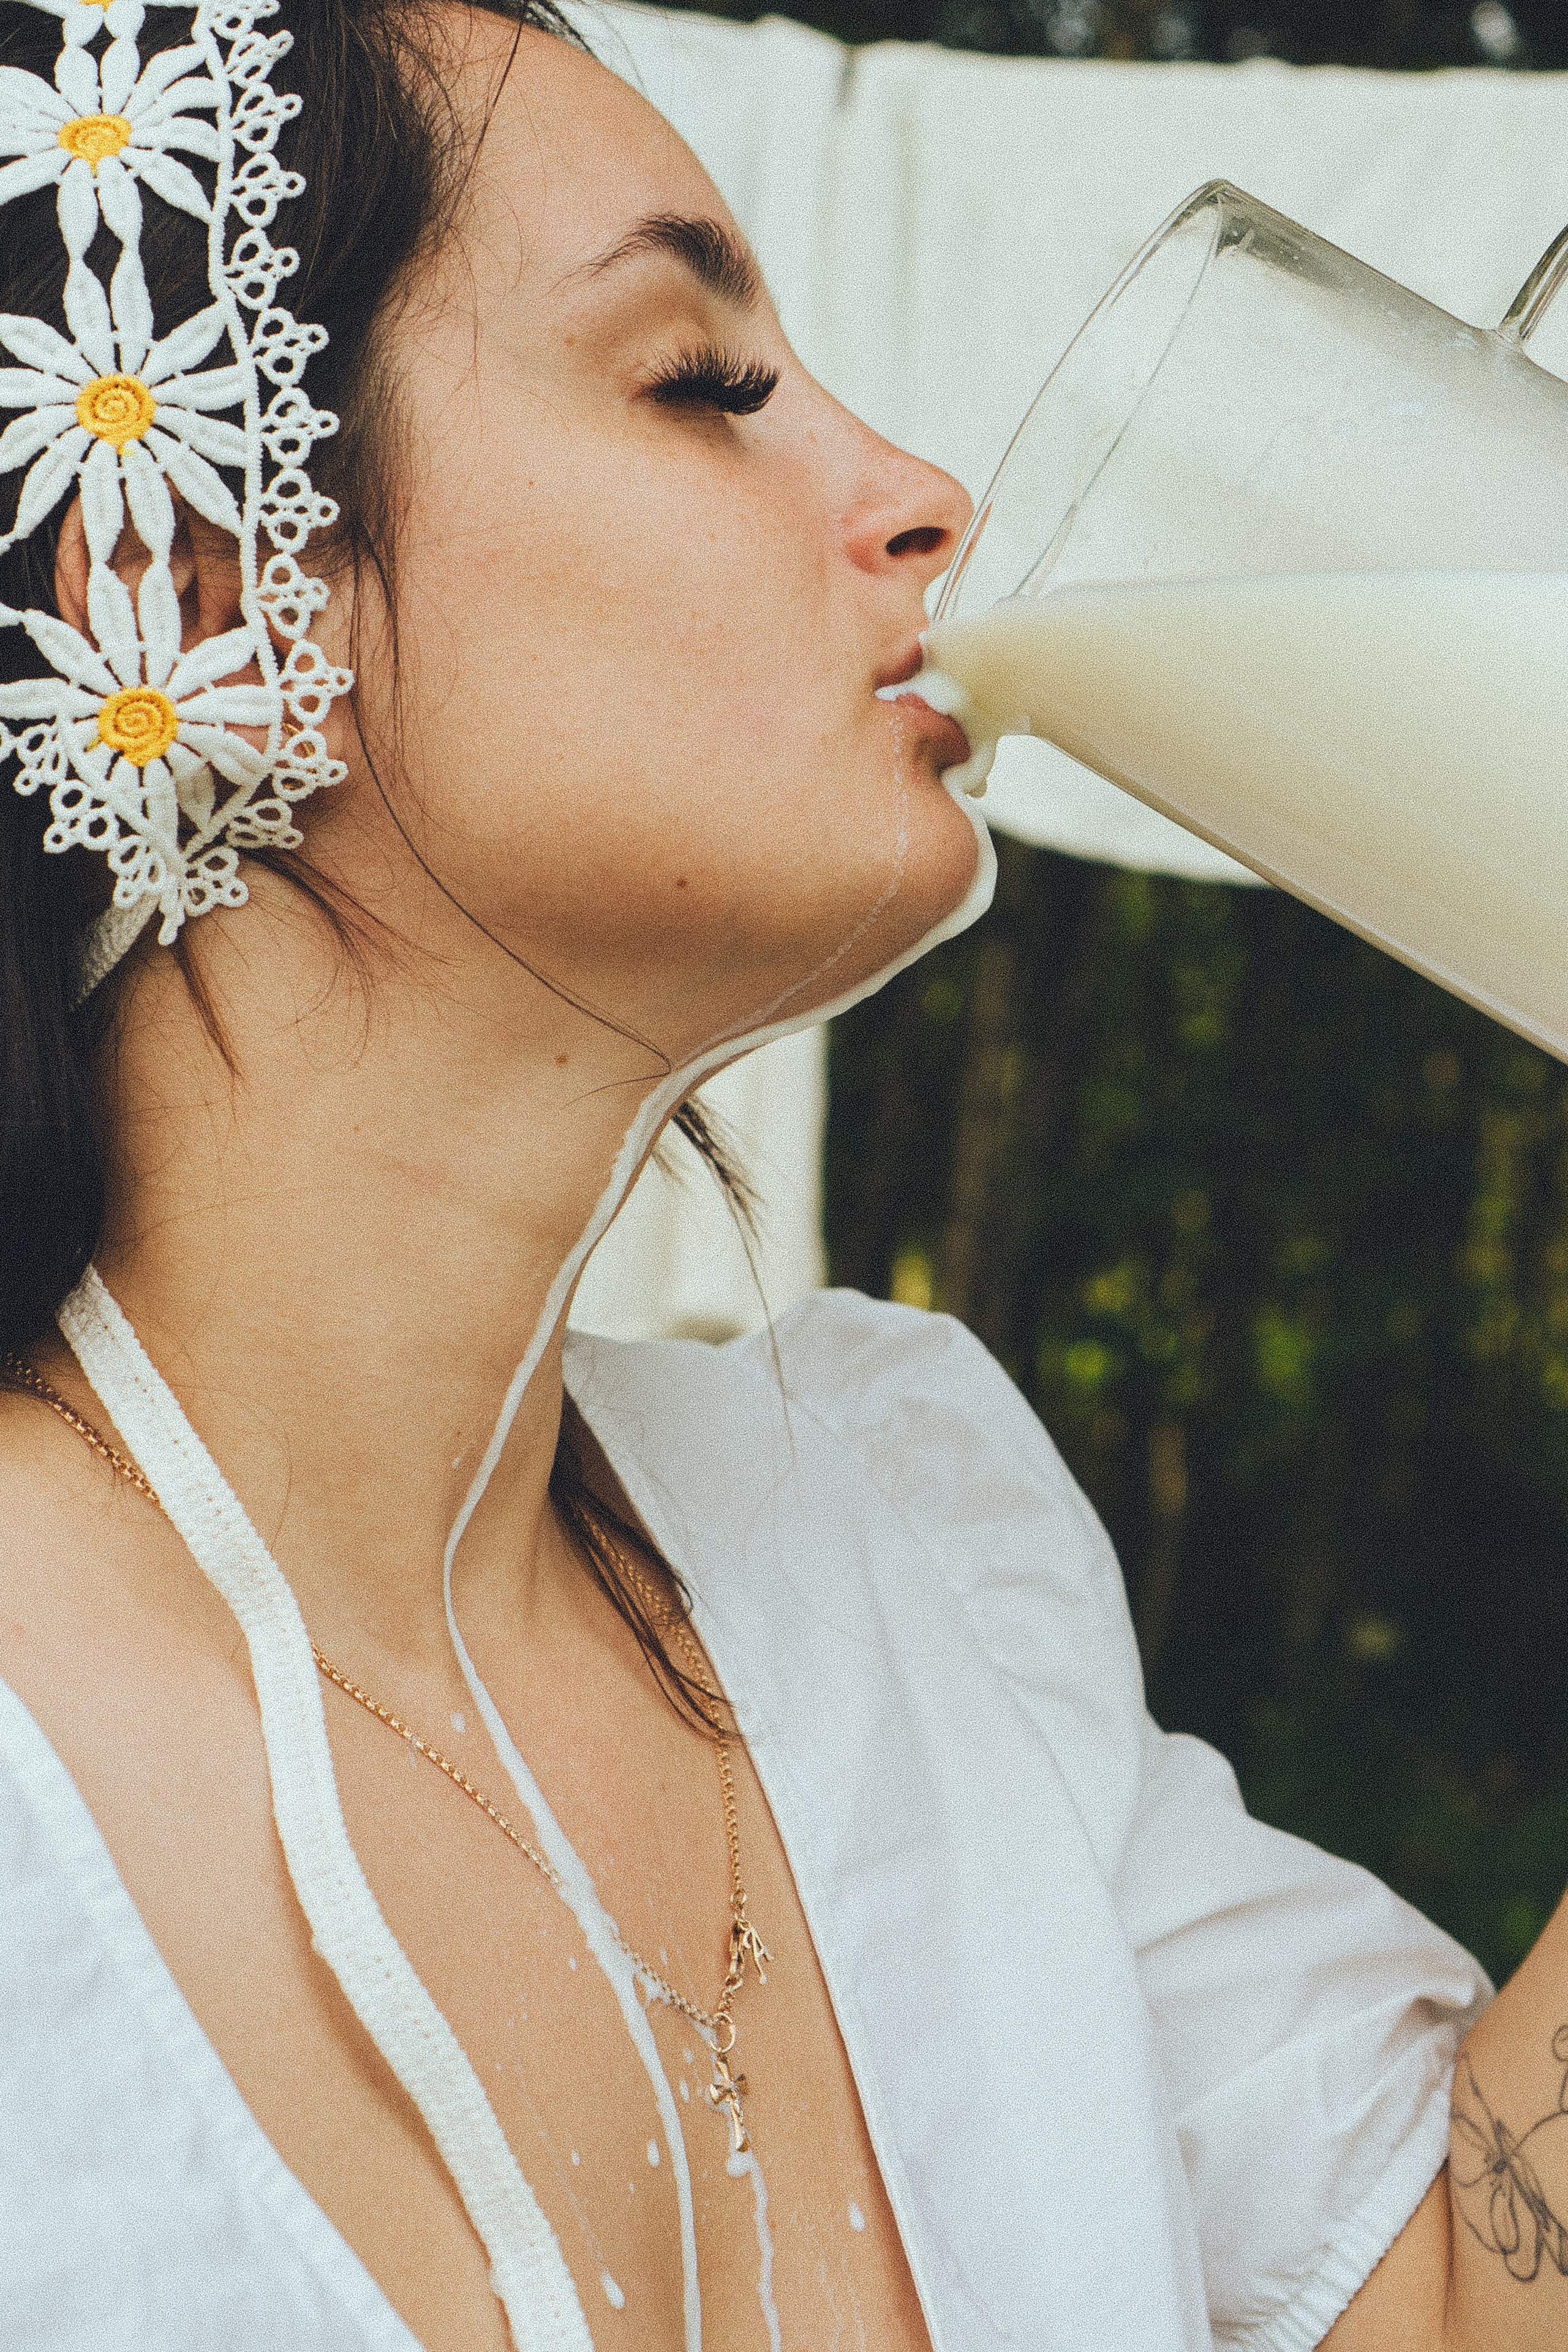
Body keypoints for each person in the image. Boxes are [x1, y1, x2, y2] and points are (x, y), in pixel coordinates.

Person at [0, 3, 1559, 2348]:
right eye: (698, 380)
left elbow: (1450, 2300)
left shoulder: (895, 1555)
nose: (934, 491)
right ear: (210, 587)